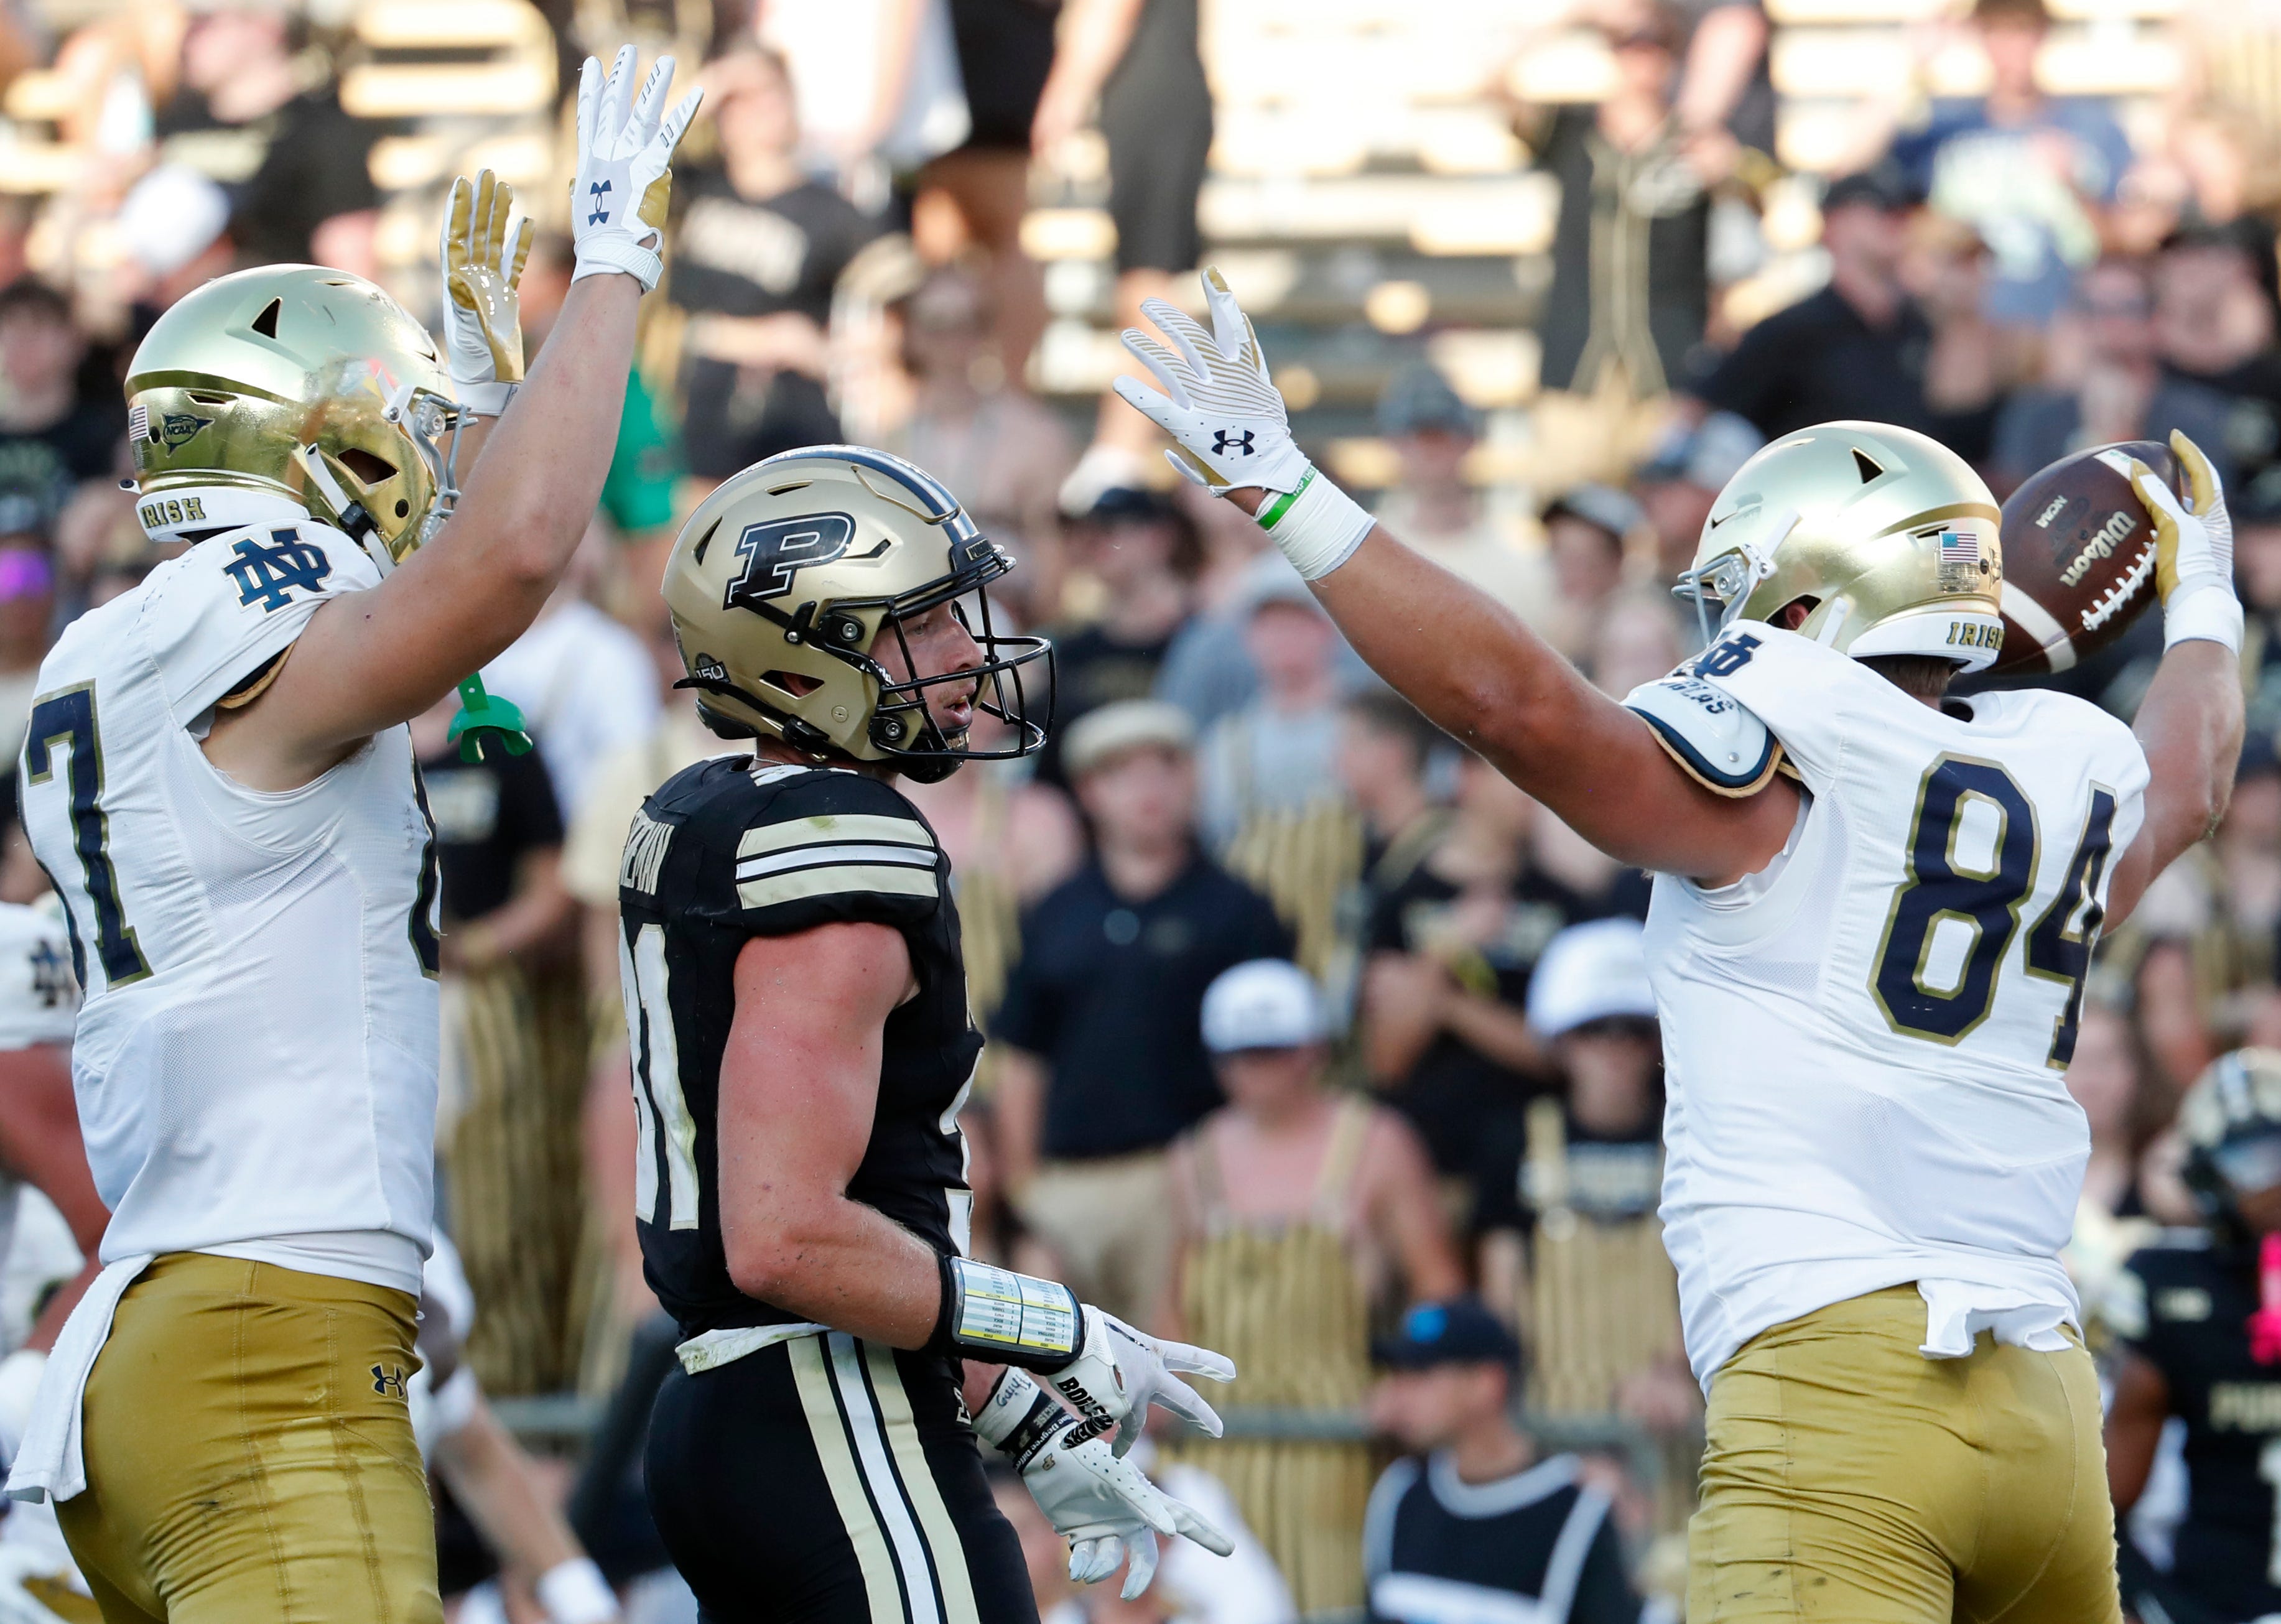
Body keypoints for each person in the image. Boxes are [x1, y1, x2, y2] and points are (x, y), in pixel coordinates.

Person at [1117, 269, 2247, 1620]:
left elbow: (1519, 708)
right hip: (2044, 1402)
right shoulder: (2061, 766)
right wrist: (2206, 603)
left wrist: (1287, 490)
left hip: (1840, 1388)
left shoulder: (1783, 748)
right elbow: (2187, 780)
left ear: (1816, 595)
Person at [4, 55, 702, 1624]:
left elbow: (418, 644)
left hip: (180, 1332)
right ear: (317, 449)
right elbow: (510, 561)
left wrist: (451, 419)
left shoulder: (126, 642)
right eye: (391, 430)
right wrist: (610, 272)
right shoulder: (232, 626)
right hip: (272, 1342)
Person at [628, 446, 1232, 1621]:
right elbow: (786, 1239)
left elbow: (853, 1212)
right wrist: (1051, 1322)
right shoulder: (848, 841)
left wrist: (1018, 1411)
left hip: (755, 1411)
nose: (968, 650)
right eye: (926, 622)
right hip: (832, 1416)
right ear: (812, 652)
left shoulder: (710, 808)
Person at [1161, 960, 1462, 1613]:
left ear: (1315, 1050)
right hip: (1221, 1448)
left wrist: (1412, 1378)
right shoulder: (1193, 1157)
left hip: (1336, 1446)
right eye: (1239, 1055)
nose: (1255, 1069)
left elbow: (1438, 1290)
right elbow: (1174, 1312)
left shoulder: (1377, 1142)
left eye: (1272, 1052)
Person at [993, 701, 1289, 1324]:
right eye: (1123, 772)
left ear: (1192, 780)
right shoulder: (1056, 909)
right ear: (1088, 791)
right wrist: (1025, 1186)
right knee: (1046, 1375)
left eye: (1166, 768)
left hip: (1186, 1179)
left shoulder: (1239, 910)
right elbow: (1022, 1055)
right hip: (1067, 1184)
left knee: (1169, 1375)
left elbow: (1278, 1059)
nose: (1148, 790)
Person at [1472, 919, 1682, 1427]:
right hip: (1550, 1427)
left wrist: (1680, 1376)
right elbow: (1501, 1294)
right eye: (1593, 1030)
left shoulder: (1690, 1141)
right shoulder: (1514, 1141)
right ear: (1559, 1040)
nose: (1613, 1048)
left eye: (1631, 1030)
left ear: (1657, 1040)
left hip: (1673, 1421)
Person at [2106, 1049, 2281, 1624]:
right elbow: (2100, 1512)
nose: (2273, 1178)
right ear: (2207, 1178)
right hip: (2216, 1601)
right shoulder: (2174, 1291)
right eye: (2252, 1157)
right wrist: (2155, 1609)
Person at [670, 44, 881, 487]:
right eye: (741, 100)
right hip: (690, 407)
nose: (758, 110)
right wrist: (716, 80)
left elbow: (896, 317)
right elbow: (636, 153)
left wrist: (825, 354)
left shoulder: (834, 213)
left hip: (792, 419)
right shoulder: (692, 187)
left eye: (769, 94)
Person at [1363, 1299, 1643, 1624]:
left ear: (1488, 1383)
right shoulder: (1399, 1494)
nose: (1400, 1392)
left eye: (1422, 1374)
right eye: (1398, 1374)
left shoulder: (1577, 1508)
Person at [1691, 165, 1996, 462]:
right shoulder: (1793, 330)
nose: (1898, 218)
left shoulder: (1924, 326)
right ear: (1834, 223)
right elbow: (1702, 414)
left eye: (1905, 208)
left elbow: (1959, 427)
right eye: (1881, 207)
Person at [1885, 0, 2134, 331]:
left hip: (2067, 331)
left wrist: (2076, 188)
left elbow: (2129, 246)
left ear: (2043, 36)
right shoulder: (1943, 128)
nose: (2011, 50)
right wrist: (1913, 65)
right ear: (1979, 38)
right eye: (1997, 33)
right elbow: (1853, 170)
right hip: (1963, 331)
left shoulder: (2094, 127)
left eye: (2022, 32)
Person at [1530, 2, 1711, 399]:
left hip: (1668, 368)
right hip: (1577, 365)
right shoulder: (1571, 130)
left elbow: (1764, 206)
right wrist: (1570, 19)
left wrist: (1732, 175)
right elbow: (1492, 88)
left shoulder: (1698, 143)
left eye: (1657, 43)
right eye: (1627, 43)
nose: (1641, 57)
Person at [152, 0, 383, 271]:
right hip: (166, 307)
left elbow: (350, 262)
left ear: (264, 27)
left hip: (271, 303)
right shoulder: (176, 120)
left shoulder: (322, 132)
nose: (186, 37)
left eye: (205, 23)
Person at [1991, 257, 2238, 496]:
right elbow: (2019, 520)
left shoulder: (2199, 415)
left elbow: (2202, 517)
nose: (2108, 322)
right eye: (2092, 308)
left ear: (2156, 319)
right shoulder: (2033, 415)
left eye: (2127, 308)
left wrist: (2122, 436)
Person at [1367, 365, 1553, 632]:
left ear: (1469, 442)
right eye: (1417, 436)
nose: (1430, 450)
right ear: (1393, 443)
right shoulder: (1364, 552)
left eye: (1442, 435)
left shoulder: (1524, 569)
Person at [0, 281, 124, 536]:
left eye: (37, 327)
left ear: (75, 342)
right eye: (9, 327)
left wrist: (113, 498)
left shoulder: (109, 433)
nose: (22, 342)